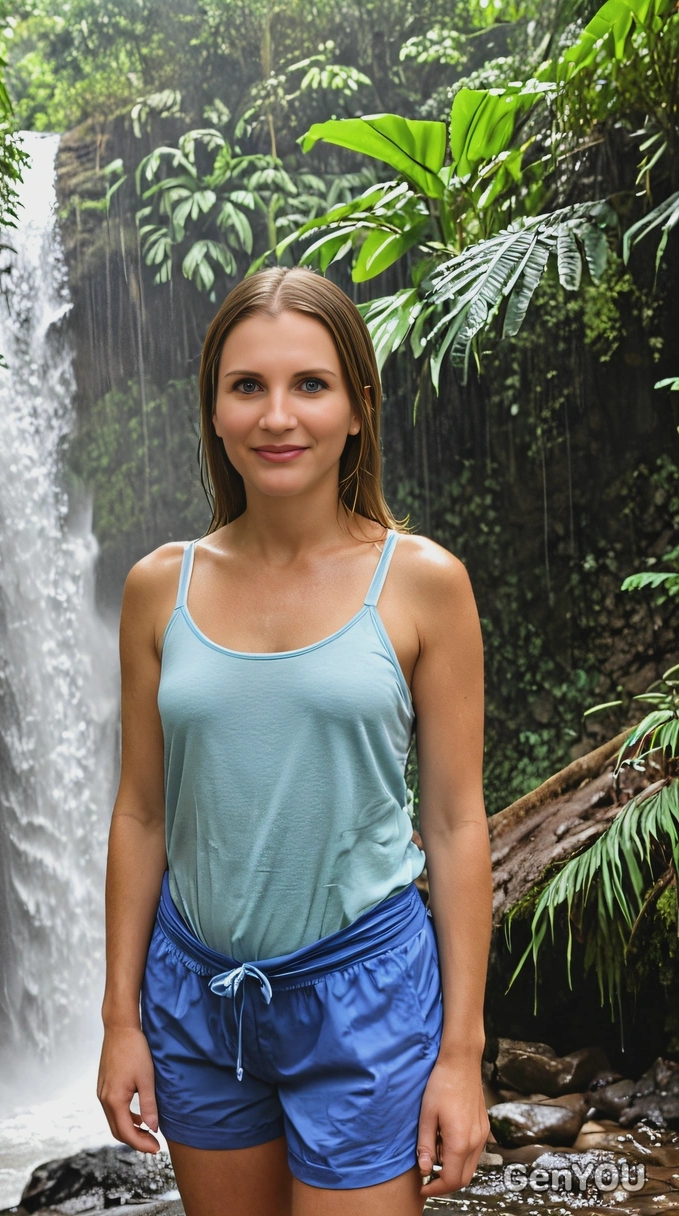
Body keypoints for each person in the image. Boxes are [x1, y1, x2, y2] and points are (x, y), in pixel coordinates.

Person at [97, 266, 493, 1216]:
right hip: (198, 996)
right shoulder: (161, 587)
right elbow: (143, 812)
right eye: (249, 387)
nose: (279, 416)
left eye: (309, 385)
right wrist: (121, 1019)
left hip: (364, 997)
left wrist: (463, 1056)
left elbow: (454, 823)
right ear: (217, 410)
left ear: (359, 407)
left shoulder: (424, 584)